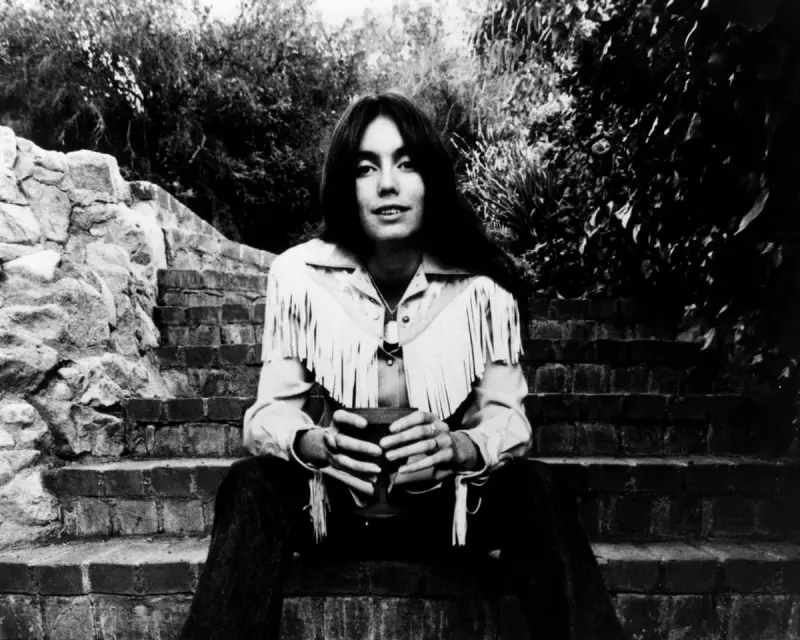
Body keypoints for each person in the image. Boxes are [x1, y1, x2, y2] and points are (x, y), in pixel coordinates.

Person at [178, 92, 627, 640]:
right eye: (366, 168)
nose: (387, 184)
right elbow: (267, 415)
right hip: (335, 506)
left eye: (406, 163)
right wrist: (314, 443)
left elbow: (508, 421)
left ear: (430, 179)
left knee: (541, 489)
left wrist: (458, 448)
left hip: (446, 511)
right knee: (248, 486)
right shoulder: (299, 276)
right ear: (346, 186)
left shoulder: (484, 287)